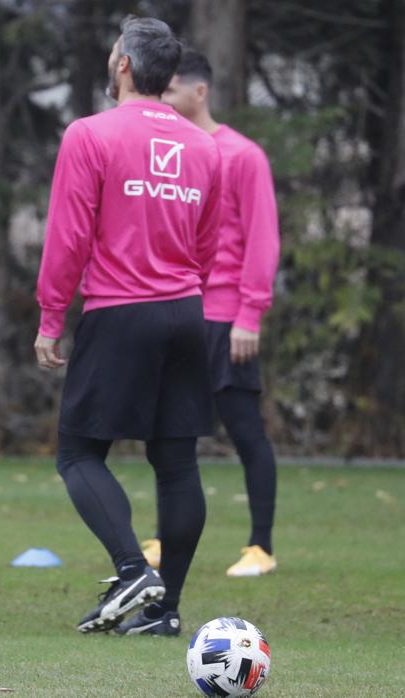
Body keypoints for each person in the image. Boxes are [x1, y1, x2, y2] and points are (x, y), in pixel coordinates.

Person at [33, 16, 223, 637]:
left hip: (120, 311)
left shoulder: (90, 134)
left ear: (122, 65)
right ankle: (164, 614)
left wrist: (50, 317)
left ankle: (133, 569)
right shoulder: (204, 145)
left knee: (78, 452)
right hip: (186, 313)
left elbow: (67, 236)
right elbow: (209, 243)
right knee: (176, 461)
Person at [144, 48, 281, 580]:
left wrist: (250, 313)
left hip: (229, 318)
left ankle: (260, 546)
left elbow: (263, 240)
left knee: (246, 431)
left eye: (172, 90)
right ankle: (164, 536)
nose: (165, 100)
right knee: (170, 433)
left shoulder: (243, 155)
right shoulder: (173, 152)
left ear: (199, 92)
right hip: (182, 313)